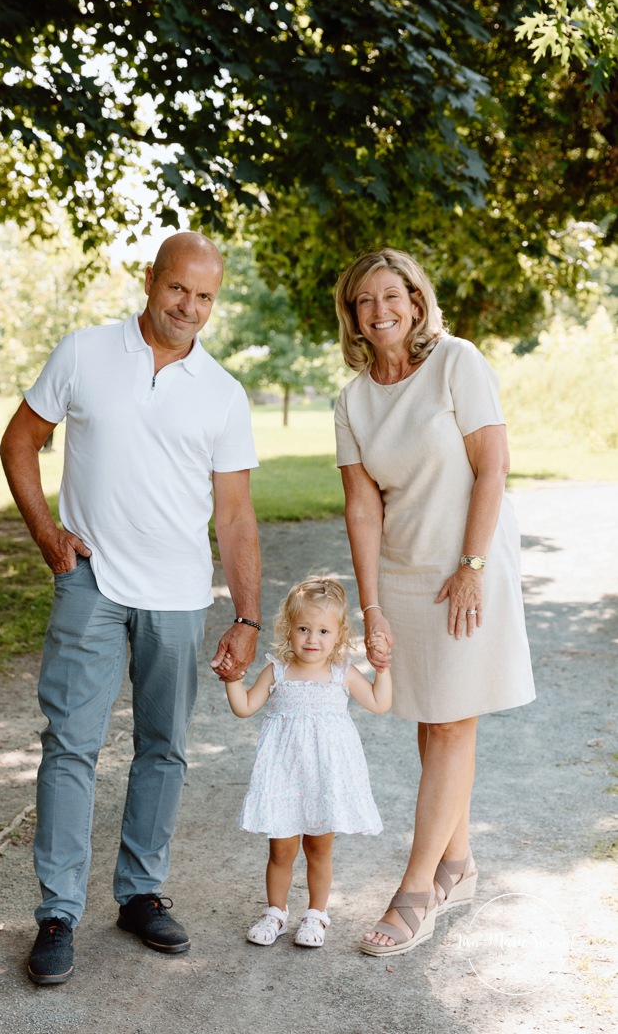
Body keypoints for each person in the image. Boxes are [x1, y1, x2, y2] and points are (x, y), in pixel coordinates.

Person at [0, 231, 262, 985]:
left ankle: (140, 894)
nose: (189, 307)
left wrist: (245, 617)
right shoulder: (84, 352)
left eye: (205, 296)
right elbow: (20, 442)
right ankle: (58, 912)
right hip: (91, 583)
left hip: (179, 595)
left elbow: (236, 517)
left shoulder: (222, 392)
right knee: (70, 746)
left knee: (164, 748)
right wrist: (45, 531)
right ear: (150, 280)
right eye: (178, 289)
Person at [333, 248, 535, 957]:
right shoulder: (352, 399)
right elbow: (362, 508)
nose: (380, 310)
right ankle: (458, 864)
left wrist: (473, 565)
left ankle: (415, 891)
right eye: (365, 301)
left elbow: (492, 466)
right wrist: (371, 606)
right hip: (402, 574)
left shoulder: (457, 363)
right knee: (427, 721)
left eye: (393, 295)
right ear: (351, 314)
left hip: (465, 570)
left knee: (451, 724)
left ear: (416, 302)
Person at [223, 576, 391, 949]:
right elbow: (244, 707)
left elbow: (380, 703)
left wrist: (383, 669)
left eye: (323, 631)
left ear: (339, 634)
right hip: (283, 774)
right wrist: (232, 678)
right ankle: (275, 912)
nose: (312, 639)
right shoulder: (277, 671)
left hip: (324, 777)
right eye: (303, 629)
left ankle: (315, 914)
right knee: (280, 848)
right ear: (289, 629)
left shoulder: (341, 673)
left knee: (319, 848)